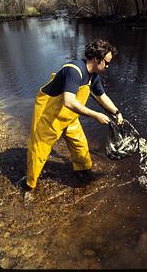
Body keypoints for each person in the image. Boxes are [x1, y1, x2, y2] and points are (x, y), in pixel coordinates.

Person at [22, 39, 123, 192]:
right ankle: (29, 185)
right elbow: (69, 101)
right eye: (107, 63)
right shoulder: (73, 70)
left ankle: (83, 172)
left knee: (80, 145)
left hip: (69, 115)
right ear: (97, 59)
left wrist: (117, 112)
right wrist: (95, 115)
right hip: (49, 115)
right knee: (39, 150)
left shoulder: (93, 75)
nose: (108, 66)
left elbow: (102, 97)